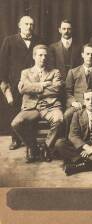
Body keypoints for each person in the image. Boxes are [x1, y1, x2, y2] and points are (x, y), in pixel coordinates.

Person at [11, 45, 63, 163]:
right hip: (31, 107)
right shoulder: (25, 72)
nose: (43, 58)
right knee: (16, 123)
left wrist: (32, 88)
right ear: (34, 56)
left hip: (51, 106)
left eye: (45, 55)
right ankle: (33, 148)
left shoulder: (55, 72)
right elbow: (23, 89)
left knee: (59, 119)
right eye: (40, 55)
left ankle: (46, 147)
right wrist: (43, 85)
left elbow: (56, 89)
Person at [0, 16, 42, 150]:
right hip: (15, 82)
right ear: (19, 25)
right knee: (15, 110)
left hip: (33, 82)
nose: (29, 27)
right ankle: (15, 140)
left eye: (31, 24)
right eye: (26, 24)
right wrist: (5, 81)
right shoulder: (9, 40)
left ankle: (31, 140)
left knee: (31, 110)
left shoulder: (38, 40)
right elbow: (3, 63)